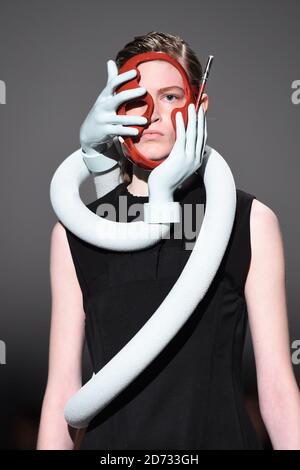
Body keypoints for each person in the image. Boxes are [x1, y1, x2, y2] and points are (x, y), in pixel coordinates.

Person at [37, 31, 300, 450]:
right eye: (135, 98)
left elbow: (278, 392)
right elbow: (62, 393)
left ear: (199, 106)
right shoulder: (77, 232)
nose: (153, 113)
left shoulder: (248, 220)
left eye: (171, 96)